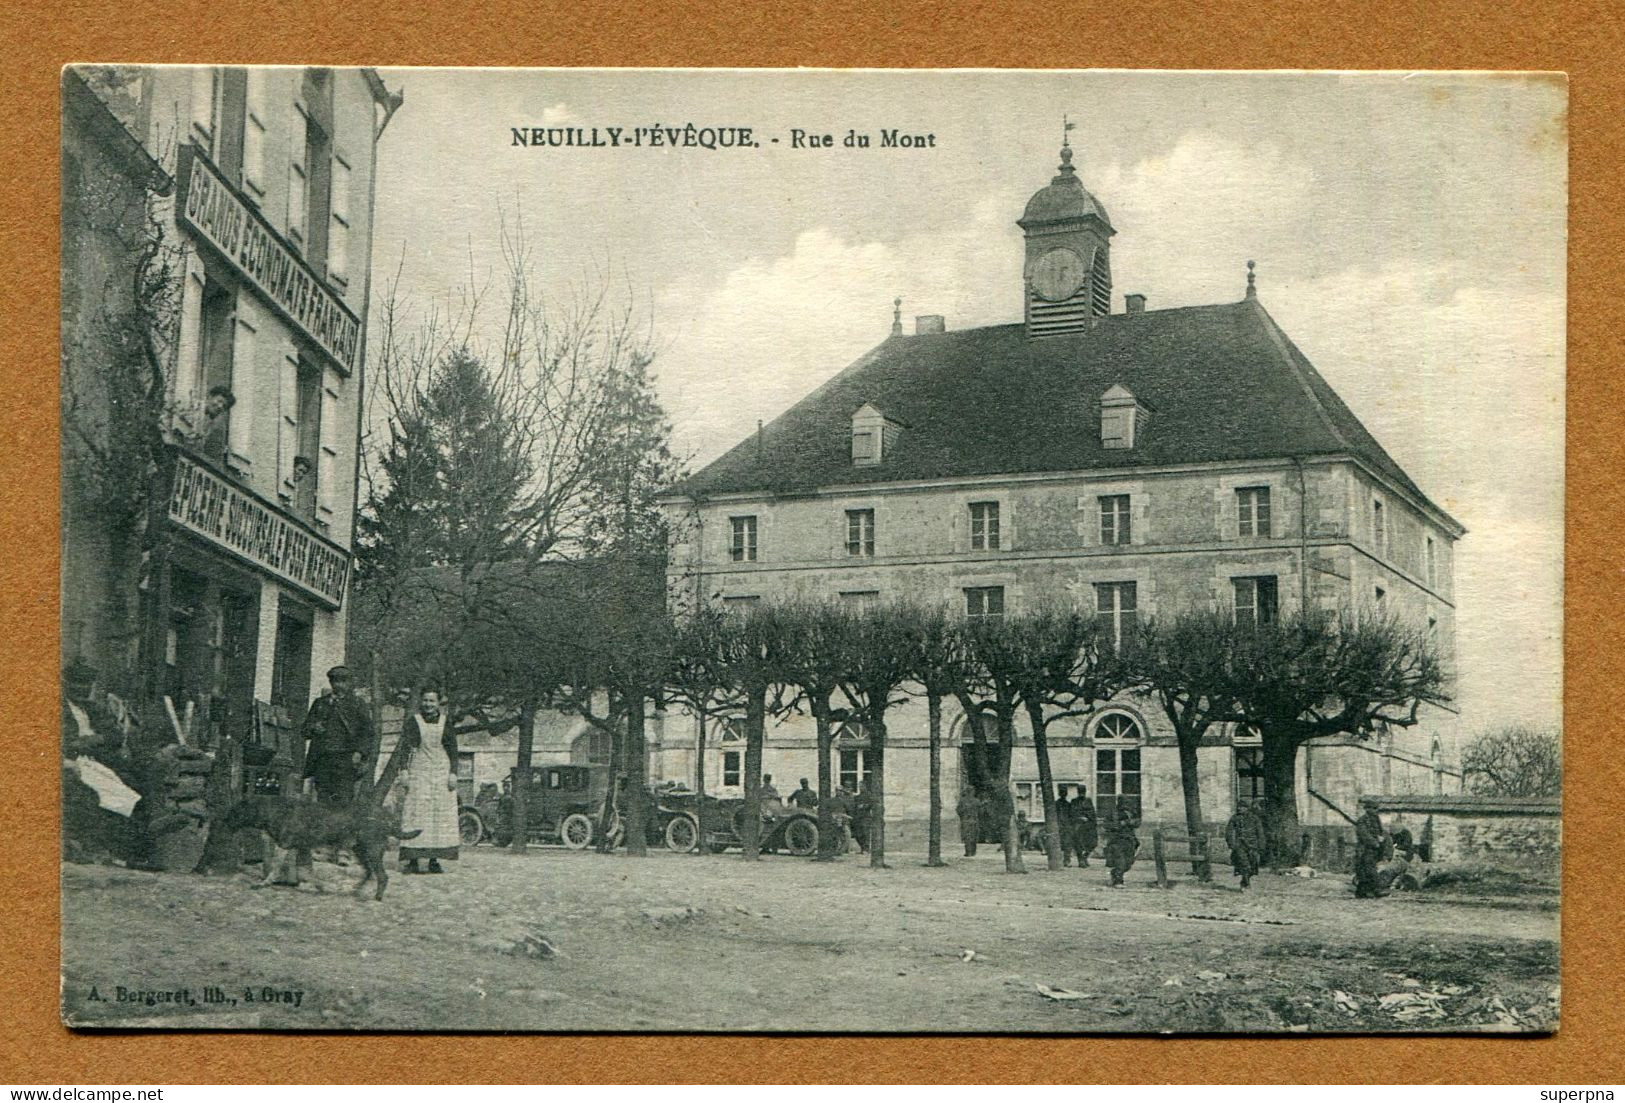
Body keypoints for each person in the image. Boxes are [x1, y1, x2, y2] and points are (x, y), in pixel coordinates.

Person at [398, 689, 461, 874]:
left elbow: (453, 750)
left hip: (441, 772)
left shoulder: (445, 722)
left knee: (438, 817)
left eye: (432, 701)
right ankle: (413, 860)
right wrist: (403, 770)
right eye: (425, 700)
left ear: (438, 703)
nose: (428, 704)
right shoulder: (414, 721)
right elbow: (405, 748)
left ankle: (434, 860)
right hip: (420, 771)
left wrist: (453, 773)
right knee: (417, 813)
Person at [300, 665, 374, 805]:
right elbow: (304, 730)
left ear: (349, 683)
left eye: (343, 681)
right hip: (323, 759)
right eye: (335, 681)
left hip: (346, 759)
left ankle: (340, 826)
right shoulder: (320, 703)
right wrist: (313, 727)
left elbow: (368, 732)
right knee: (323, 799)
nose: (339, 685)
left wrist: (359, 752)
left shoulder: (358, 704)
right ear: (331, 682)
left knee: (343, 800)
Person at [1224, 800, 1267, 889]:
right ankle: (1246, 884)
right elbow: (1229, 831)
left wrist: (1261, 845)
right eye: (1238, 807)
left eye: (1242, 807)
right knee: (1244, 864)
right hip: (1240, 845)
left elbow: (1260, 832)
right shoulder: (1234, 818)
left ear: (1247, 808)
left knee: (1253, 864)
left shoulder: (1254, 818)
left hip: (1253, 845)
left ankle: (1244, 879)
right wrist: (1231, 844)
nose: (1239, 808)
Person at [1353, 797, 1388, 899]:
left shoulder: (1377, 820)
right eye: (1373, 808)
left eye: (1376, 808)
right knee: (1370, 870)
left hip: (1375, 850)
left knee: (1364, 871)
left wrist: (1382, 839)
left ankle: (1361, 892)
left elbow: (1381, 832)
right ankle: (1377, 889)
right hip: (1365, 849)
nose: (1375, 811)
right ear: (1367, 809)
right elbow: (1364, 835)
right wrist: (1375, 842)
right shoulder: (1362, 820)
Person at [1104, 803, 1140, 887]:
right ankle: (1118, 880)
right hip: (1117, 840)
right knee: (1120, 860)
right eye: (1123, 802)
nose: (1125, 805)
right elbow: (1106, 825)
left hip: (1129, 840)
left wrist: (1133, 822)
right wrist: (1120, 824)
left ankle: (1115, 873)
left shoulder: (1131, 813)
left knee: (1129, 862)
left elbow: (1137, 823)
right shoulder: (1113, 814)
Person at [1071, 786, 1099, 868]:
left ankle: (1085, 856)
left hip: (1089, 824)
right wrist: (1079, 818)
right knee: (1079, 842)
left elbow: (1092, 812)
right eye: (1080, 792)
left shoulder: (1088, 801)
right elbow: (1072, 813)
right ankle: (1081, 861)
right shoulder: (1074, 801)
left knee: (1093, 842)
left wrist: (1088, 818)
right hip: (1078, 824)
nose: (1081, 793)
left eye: (1083, 791)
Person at [955, 784, 982, 857]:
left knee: (967, 836)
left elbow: (958, 810)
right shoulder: (976, 801)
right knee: (973, 836)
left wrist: (962, 816)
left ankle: (968, 852)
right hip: (974, 820)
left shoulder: (962, 801)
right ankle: (973, 852)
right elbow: (981, 811)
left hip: (966, 820)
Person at [1055, 785, 1077, 865]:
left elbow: (1071, 816)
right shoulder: (1056, 804)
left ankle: (1066, 860)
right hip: (1058, 826)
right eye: (1062, 793)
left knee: (1068, 843)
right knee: (1058, 843)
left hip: (1067, 826)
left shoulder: (1068, 805)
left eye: (1064, 793)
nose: (1063, 794)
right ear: (1059, 793)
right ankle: (1058, 861)